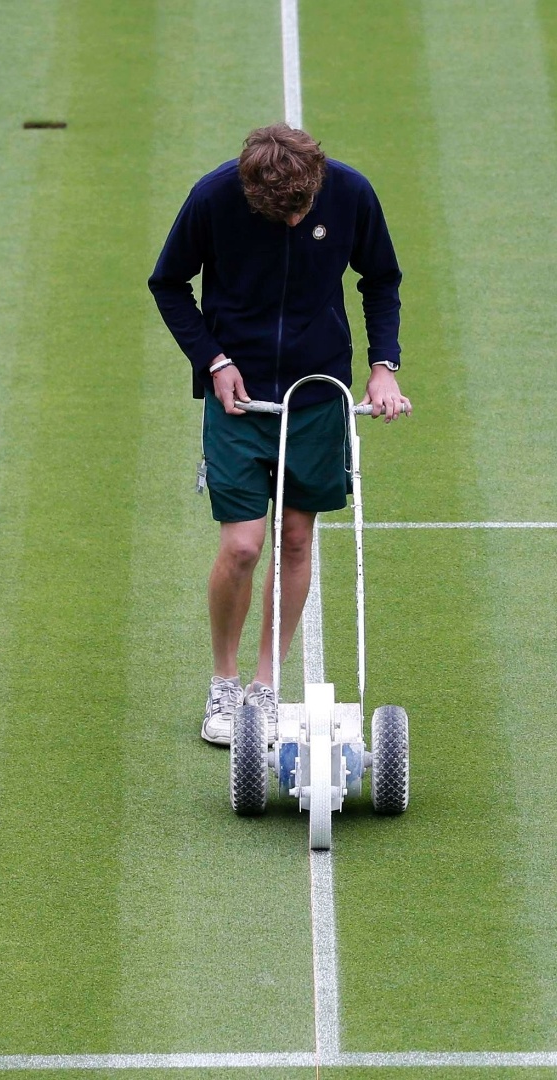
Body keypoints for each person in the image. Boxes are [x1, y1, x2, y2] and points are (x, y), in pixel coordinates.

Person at [148, 123, 410, 746]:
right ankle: (224, 682)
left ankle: (265, 686)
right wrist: (214, 360)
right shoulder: (214, 197)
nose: (292, 223)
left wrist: (383, 367)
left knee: (296, 538)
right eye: (278, 213)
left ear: (315, 182)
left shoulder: (351, 192)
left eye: (301, 209)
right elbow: (168, 284)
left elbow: (381, 278)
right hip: (240, 403)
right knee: (242, 546)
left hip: (318, 396)